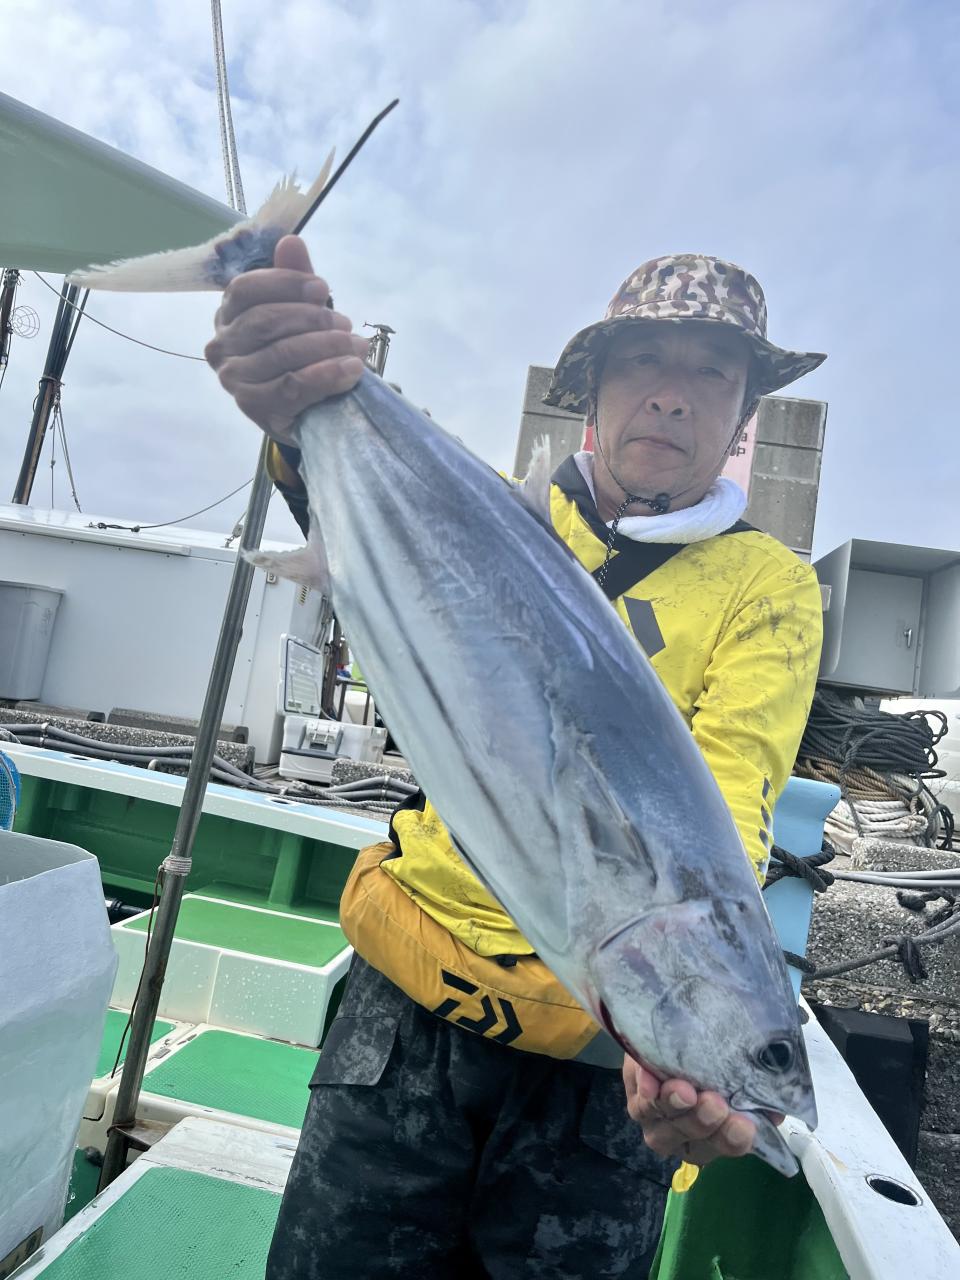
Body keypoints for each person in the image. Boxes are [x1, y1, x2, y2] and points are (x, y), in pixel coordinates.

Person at [205, 242, 826, 1279]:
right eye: (645, 362)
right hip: (404, 1016)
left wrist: (677, 1053)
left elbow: (727, 805)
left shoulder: (767, 585)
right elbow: (351, 519)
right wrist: (294, 407)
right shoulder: (486, 507)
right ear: (597, 385)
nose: (672, 396)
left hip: (595, 1082)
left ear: (743, 412)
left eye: (712, 373)